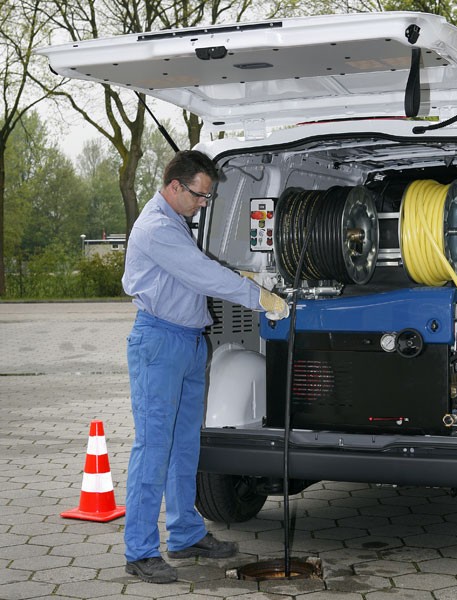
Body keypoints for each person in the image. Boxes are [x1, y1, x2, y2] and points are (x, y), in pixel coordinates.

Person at [122, 150, 288, 584]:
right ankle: (139, 551)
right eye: (200, 195)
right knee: (154, 447)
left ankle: (185, 534)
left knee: (184, 448)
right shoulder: (157, 227)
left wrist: (248, 280)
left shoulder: (176, 220)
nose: (204, 203)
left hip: (189, 342)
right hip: (159, 342)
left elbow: (203, 271)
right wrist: (259, 298)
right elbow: (199, 272)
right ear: (175, 187)